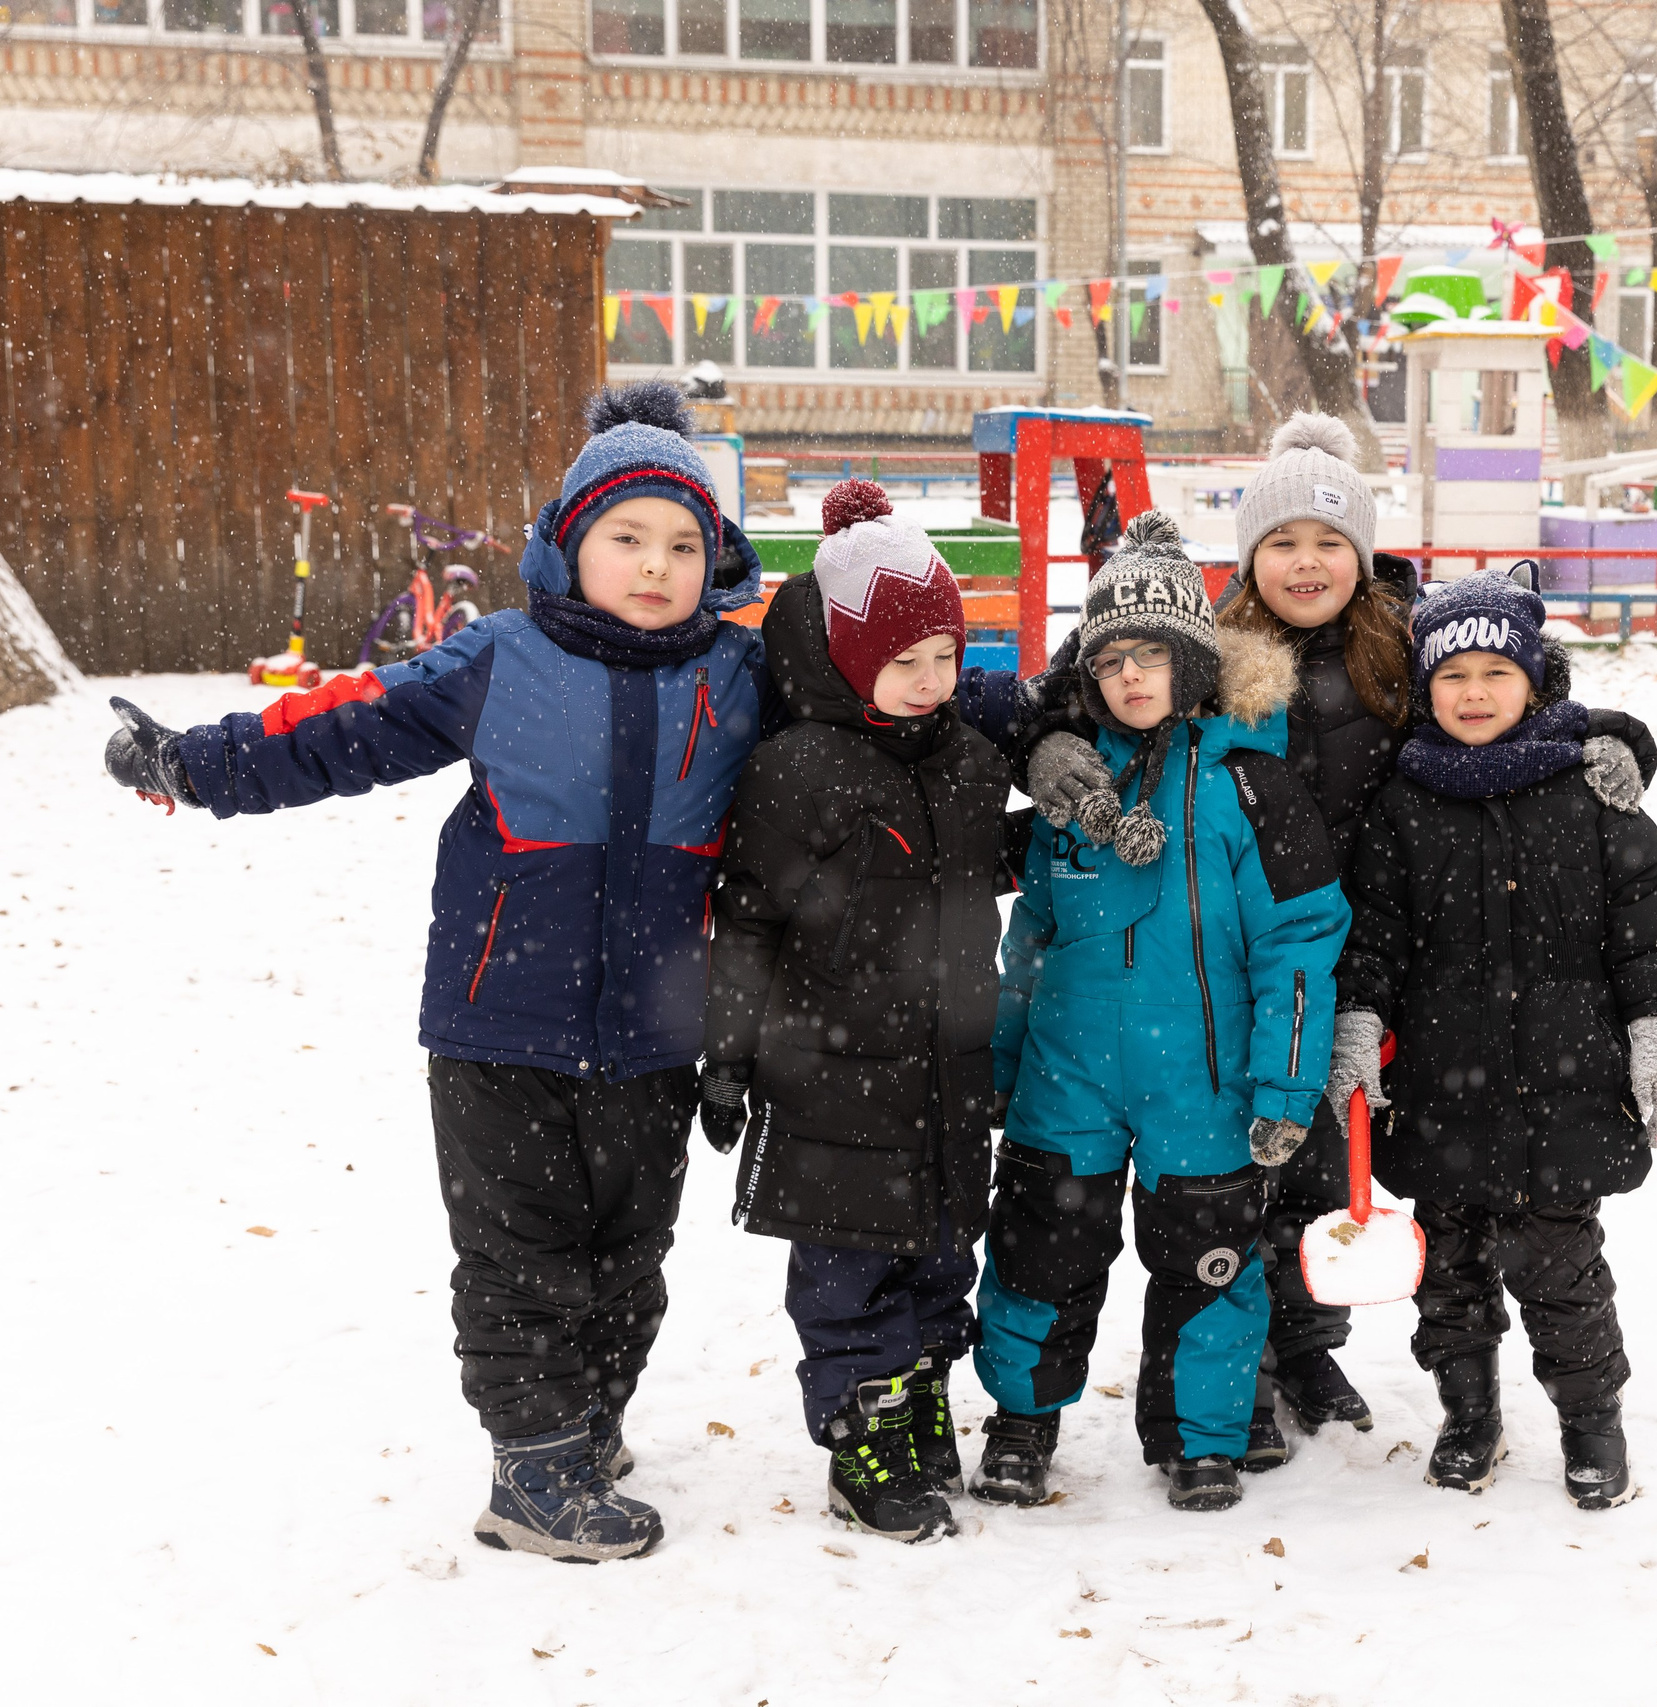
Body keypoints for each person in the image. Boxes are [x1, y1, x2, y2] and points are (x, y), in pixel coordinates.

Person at [100, 382, 772, 1564]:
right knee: (521, 1249)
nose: (656, 566)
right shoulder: (499, 659)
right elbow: (344, 724)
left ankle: (581, 1424)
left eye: (683, 545)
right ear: (569, 542)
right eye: (628, 538)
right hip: (498, 1015)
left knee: (629, 1245)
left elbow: (866, 720)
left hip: (658, 1028)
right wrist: (198, 765)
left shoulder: (739, 678)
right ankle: (533, 1466)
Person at [1019, 413, 1657, 1470]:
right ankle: (1249, 1374)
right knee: (1241, 1170)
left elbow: (1513, 699)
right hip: (1233, 955)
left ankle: (1312, 1346)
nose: (1305, 563)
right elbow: (1064, 693)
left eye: (1327, 542)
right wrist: (1042, 744)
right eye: (1281, 543)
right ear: (1248, 557)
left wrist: (1613, 738)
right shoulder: (1199, 639)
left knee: (1331, 1165)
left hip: (1386, 945)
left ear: (1360, 553)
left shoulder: (1407, 642)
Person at [974, 510, 1350, 1513]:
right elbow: (1031, 943)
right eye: (1110, 662)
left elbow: (1300, 946)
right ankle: (1021, 1422)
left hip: (1207, 1082)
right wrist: (1005, 1059)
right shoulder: (1075, 792)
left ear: (1191, 662)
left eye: (1152, 656)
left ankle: (1200, 1436)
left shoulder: (1252, 786)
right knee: (1038, 1257)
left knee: (1209, 1267)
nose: (1130, 678)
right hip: (1070, 1076)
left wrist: (1285, 1083)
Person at [1330, 569, 1657, 1511]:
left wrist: (1656, 1032)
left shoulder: (1587, 790)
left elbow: (1644, 921)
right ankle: (1469, 1408)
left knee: (1559, 1270)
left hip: (1563, 1090)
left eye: (1498, 671)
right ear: (1425, 687)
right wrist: (1359, 1023)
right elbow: (1372, 930)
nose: (1475, 692)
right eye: (1454, 676)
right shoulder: (1403, 801)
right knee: (1448, 1275)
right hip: (1446, 1087)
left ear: (1537, 680)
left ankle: (1590, 1420)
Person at [697, 482, 1008, 1547]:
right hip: (830, 1071)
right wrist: (727, 1055)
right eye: (901, 661)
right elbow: (747, 921)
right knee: (846, 1266)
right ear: (841, 658)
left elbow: (971, 877)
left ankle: (917, 1394)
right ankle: (859, 1429)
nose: (928, 683)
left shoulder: (969, 763)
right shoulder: (793, 771)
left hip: (948, 1067)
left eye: (944, 661)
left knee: (938, 1250)